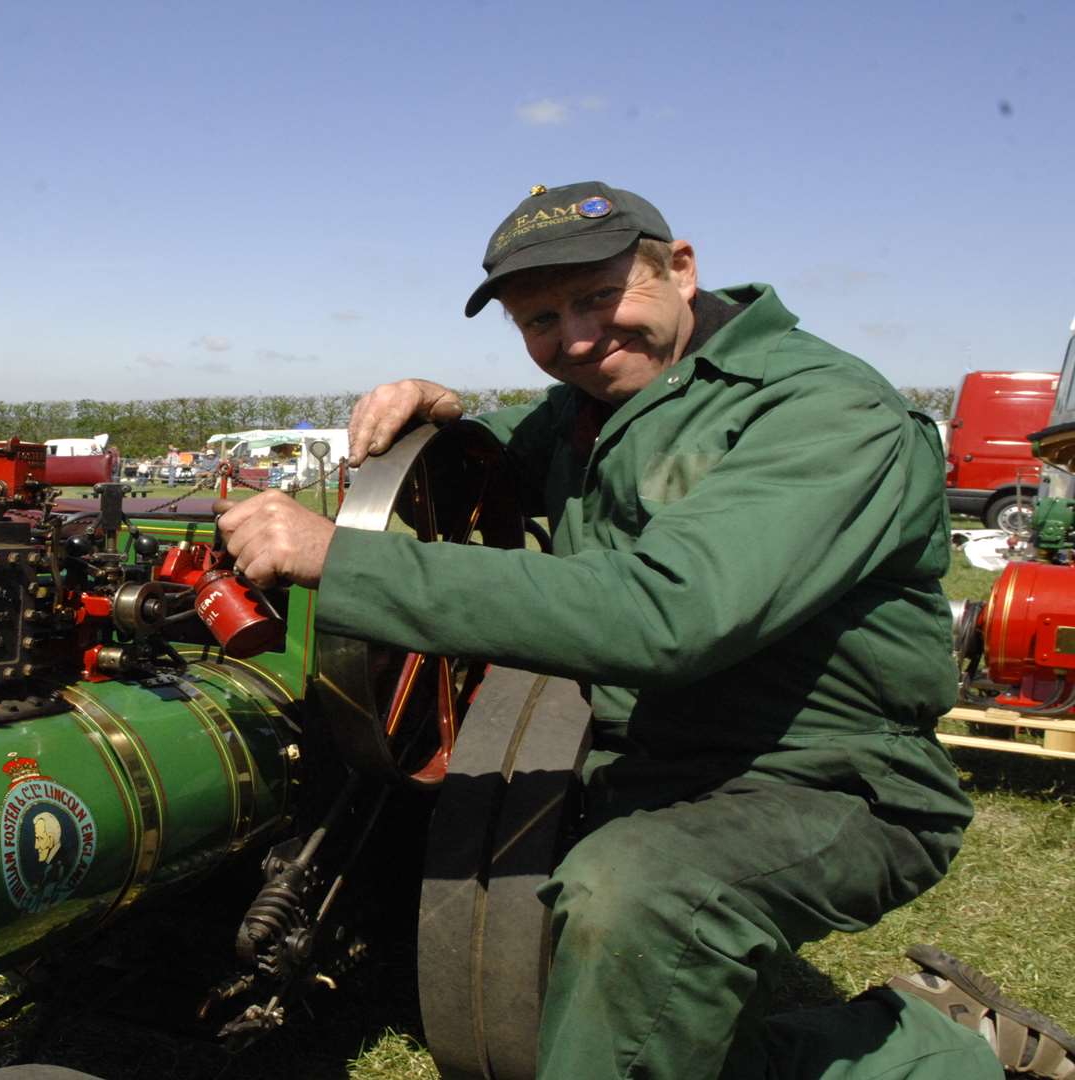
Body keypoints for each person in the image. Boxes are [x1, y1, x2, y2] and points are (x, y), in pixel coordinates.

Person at [216, 181, 1073, 1079]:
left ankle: (941, 1056)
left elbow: (668, 613)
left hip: (825, 780)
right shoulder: (599, 401)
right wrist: (444, 411)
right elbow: (488, 465)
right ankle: (943, 1045)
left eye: (597, 296)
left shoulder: (827, 413)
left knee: (636, 899)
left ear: (684, 271)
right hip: (640, 764)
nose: (577, 339)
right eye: (539, 320)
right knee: (622, 1028)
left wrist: (344, 560)